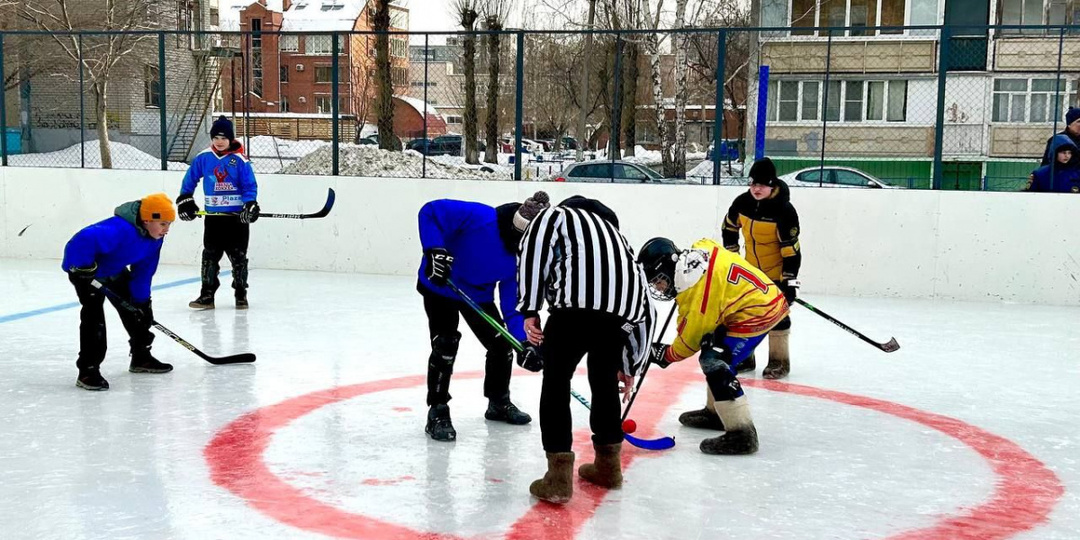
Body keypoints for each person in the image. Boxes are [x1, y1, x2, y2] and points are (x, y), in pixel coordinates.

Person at [519, 198, 654, 504]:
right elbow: (644, 308)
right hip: (621, 315)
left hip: (573, 312)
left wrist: (529, 309)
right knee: (605, 382)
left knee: (556, 382)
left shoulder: (556, 216)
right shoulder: (620, 239)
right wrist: (629, 364)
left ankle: (557, 478)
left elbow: (533, 251)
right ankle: (609, 468)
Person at [417, 192, 550, 442]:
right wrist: (434, 250)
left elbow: (512, 305)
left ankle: (498, 402)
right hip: (440, 285)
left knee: (503, 344)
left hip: (478, 295)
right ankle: (437, 410)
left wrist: (522, 342)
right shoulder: (479, 216)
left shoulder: (524, 258)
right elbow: (430, 211)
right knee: (445, 343)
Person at [638, 236, 789, 455]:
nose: (659, 288)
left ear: (671, 268)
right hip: (760, 299)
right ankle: (716, 412)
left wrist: (664, 354)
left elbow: (687, 343)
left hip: (758, 314)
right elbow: (710, 246)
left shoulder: (699, 298)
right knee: (714, 343)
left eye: (660, 280)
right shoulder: (701, 249)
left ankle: (742, 433)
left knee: (713, 359)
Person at [61, 194, 177, 391]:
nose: (167, 230)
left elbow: (144, 271)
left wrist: (142, 302)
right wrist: (82, 269)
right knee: (94, 317)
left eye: (169, 224)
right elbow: (82, 239)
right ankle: (88, 370)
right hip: (86, 274)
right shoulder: (119, 229)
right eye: (163, 224)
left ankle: (141, 357)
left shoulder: (155, 238)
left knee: (137, 313)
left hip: (114, 271)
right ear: (148, 220)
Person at [719, 157, 801, 380]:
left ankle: (779, 360)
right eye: (753, 183)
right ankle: (745, 356)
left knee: (778, 316)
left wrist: (789, 282)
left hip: (775, 274)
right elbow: (729, 227)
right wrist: (732, 257)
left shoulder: (784, 211)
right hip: (750, 273)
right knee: (744, 314)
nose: (756, 188)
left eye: (762, 185)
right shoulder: (741, 203)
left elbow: (792, 252)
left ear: (772, 185)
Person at [176, 115, 260, 310]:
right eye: (216, 138)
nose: (219, 142)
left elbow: (249, 185)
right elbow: (190, 180)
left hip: (236, 219)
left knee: (238, 256)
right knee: (210, 255)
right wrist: (185, 199)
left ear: (230, 139)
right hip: (213, 218)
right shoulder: (203, 157)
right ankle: (207, 295)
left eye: (223, 138)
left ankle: (241, 294)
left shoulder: (240, 160)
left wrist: (250, 204)